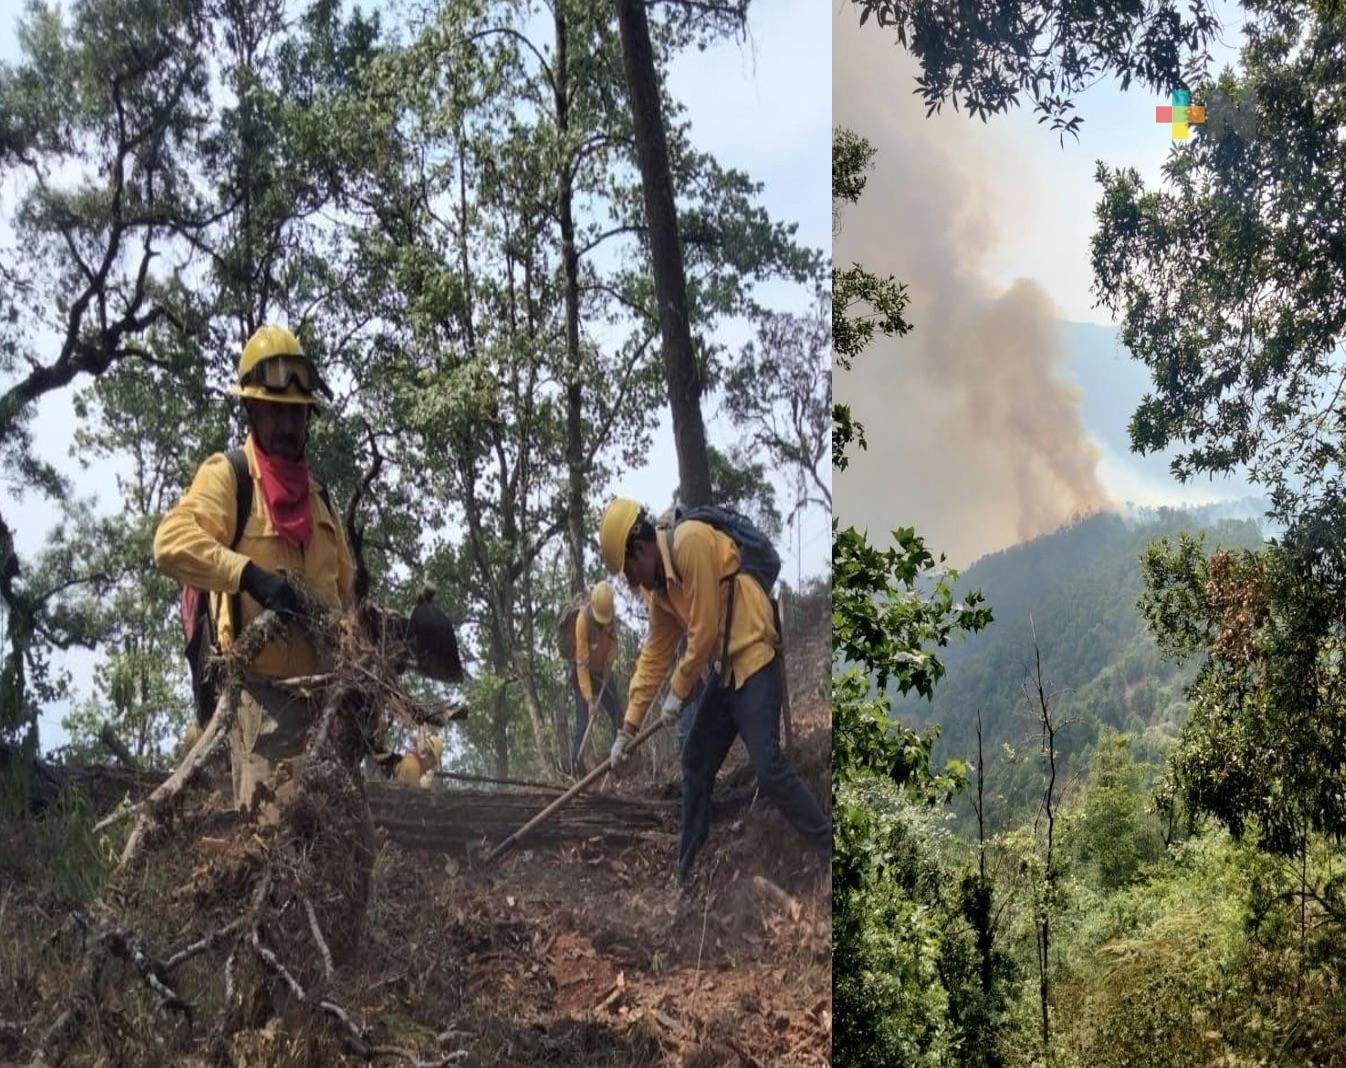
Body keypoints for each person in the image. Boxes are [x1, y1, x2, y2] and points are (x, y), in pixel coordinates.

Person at [153, 324, 354, 813]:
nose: (287, 426)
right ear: (250, 410)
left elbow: (347, 598)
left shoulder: (322, 503)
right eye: (274, 411)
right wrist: (250, 576)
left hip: (328, 712)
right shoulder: (230, 477)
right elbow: (169, 542)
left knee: (343, 856)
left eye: (296, 413)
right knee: (275, 850)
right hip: (263, 708)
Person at [598, 498, 830, 884]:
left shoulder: (689, 542)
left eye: (629, 571)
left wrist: (678, 691)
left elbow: (704, 629)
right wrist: (628, 728)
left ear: (639, 549)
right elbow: (654, 655)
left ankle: (829, 849)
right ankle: (685, 870)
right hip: (725, 675)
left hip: (754, 657)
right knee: (696, 763)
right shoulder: (662, 593)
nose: (633, 582)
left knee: (768, 768)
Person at [568, 580, 626, 774]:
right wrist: (589, 698)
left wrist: (609, 661)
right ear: (592, 605)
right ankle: (576, 767)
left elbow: (614, 643)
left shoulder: (610, 617)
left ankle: (622, 757)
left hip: (603, 673)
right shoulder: (582, 621)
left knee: (619, 713)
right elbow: (582, 664)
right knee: (583, 723)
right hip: (582, 676)